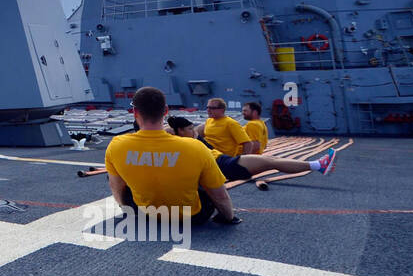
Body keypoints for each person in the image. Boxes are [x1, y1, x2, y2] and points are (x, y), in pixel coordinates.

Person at [104, 86, 240, 227]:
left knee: (114, 176)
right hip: (191, 218)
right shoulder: (195, 146)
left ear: (135, 112)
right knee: (203, 180)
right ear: (166, 111)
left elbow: (116, 185)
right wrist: (229, 218)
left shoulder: (116, 145)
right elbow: (219, 195)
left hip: (147, 214)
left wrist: (124, 207)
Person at [167, 116, 335, 178]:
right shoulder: (181, 142)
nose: (193, 131)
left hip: (226, 161)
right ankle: (318, 166)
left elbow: (194, 130)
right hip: (225, 166)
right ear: (180, 131)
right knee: (271, 161)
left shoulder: (191, 136)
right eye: (189, 129)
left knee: (271, 161)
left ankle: (318, 166)